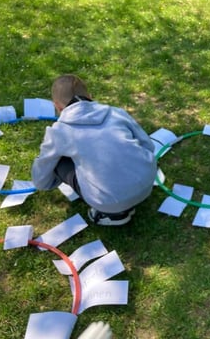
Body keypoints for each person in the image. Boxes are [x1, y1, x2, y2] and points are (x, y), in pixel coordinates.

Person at [32, 74, 157, 226]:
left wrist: (51, 181)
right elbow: (148, 146)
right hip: (147, 184)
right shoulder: (116, 112)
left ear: (57, 106)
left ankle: (112, 214)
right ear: (90, 96)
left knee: (58, 161)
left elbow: (41, 178)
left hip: (109, 202)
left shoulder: (59, 131)